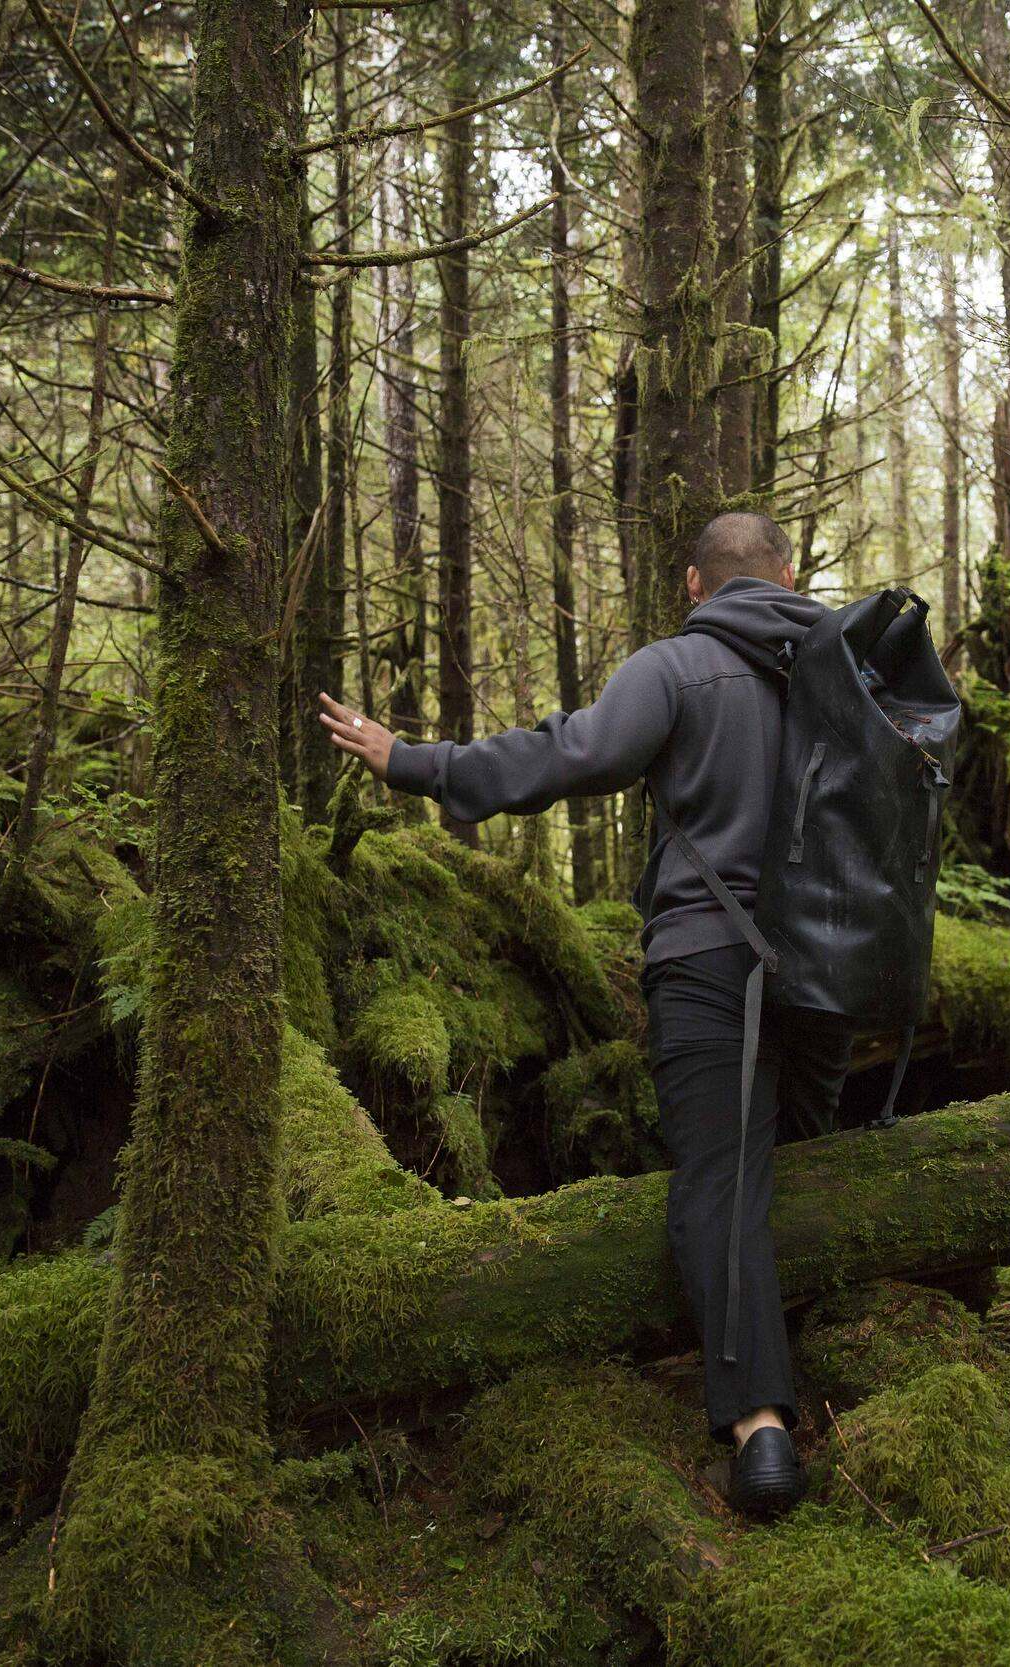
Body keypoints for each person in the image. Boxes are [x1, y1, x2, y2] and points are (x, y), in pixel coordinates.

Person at [318, 509, 842, 1520]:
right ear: (785, 574)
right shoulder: (843, 671)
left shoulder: (678, 666)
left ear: (695, 585)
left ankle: (761, 1427)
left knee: (719, 1181)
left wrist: (418, 760)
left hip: (708, 960)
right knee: (808, 1152)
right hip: (832, 967)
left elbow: (573, 755)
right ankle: (842, 1325)